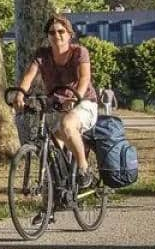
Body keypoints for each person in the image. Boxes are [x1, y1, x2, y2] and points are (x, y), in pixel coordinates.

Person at [12, 14, 100, 185]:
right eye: (52, 32)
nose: (56, 35)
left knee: (67, 125)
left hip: (84, 103)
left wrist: (76, 97)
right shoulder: (42, 55)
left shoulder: (79, 52)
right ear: (47, 36)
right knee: (48, 143)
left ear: (69, 34)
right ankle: (54, 192)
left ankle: (83, 168)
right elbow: (29, 75)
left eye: (61, 31)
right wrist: (20, 93)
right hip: (56, 105)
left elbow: (84, 78)